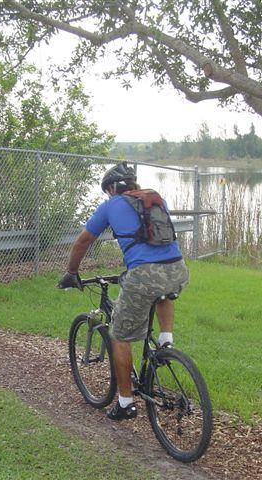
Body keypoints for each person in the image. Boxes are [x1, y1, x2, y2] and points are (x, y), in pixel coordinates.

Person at [57, 163, 189, 421]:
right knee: (163, 291)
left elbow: (84, 240)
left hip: (143, 275)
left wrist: (72, 272)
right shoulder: (155, 199)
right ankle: (165, 342)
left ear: (111, 188)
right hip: (177, 268)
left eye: (107, 191)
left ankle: (125, 403)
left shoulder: (110, 205)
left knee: (119, 336)